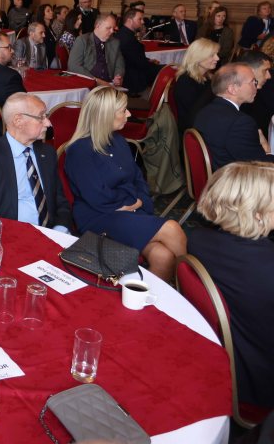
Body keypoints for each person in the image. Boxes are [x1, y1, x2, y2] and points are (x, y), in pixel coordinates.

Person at [64, 86, 186, 281]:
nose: (129, 114)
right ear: (105, 115)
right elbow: (98, 197)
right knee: (171, 228)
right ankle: (197, 292)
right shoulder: (80, 151)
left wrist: (138, 201)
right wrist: (133, 200)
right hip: (99, 217)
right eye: (123, 110)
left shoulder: (119, 141)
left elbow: (139, 179)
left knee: (162, 256)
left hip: (126, 211)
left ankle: (149, 307)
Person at [188, 161, 274, 410]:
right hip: (260, 382)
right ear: (257, 213)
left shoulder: (197, 241)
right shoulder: (266, 267)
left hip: (224, 361)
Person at [0, 93, 72, 231]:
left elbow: (60, 200)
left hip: (52, 232)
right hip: (10, 235)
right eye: (41, 117)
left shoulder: (47, 153)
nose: (48, 123)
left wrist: (61, 229)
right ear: (18, 121)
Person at [194, 63, 274, 170]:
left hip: (218, 175)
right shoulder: (240, 122)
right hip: (235, 181)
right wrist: (268, 153)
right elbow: (260, 165)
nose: (256, 85)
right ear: (233, 89)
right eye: (253, 82)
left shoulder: (204, 112)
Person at [173, 38, 220, 133]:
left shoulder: (206, 77)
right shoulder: (185, 82)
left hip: (205, 123)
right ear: (198, 58)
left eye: (216, 54)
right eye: (212, 55)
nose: (217, 58)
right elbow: (192, 117)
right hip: (192, 133)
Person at [68, 13, 125, 87]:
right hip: (87, 83)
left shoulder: (114, 42)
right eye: (108, 28)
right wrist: (96, 80)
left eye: (113, 28)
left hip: (109, 84)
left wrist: (118, 76)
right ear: (98, 26)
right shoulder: (82, 41)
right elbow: (74, 66)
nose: (112, 31)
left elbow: (119, 64)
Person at [115, 8, 163, 95]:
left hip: (132, 72)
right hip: (133, 79)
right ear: (130, 20)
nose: (143, 22)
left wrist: (148, 60)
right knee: (167, 71)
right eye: (139, 19)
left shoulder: (124, 33)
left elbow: (133, 57)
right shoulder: (127, 38)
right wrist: (161, 68)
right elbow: (139, 63)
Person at [237, 51, 274, 134]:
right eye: (265, 71)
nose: (269, 76)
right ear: (249, 70)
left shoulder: (257, 89)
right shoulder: (236, 95)